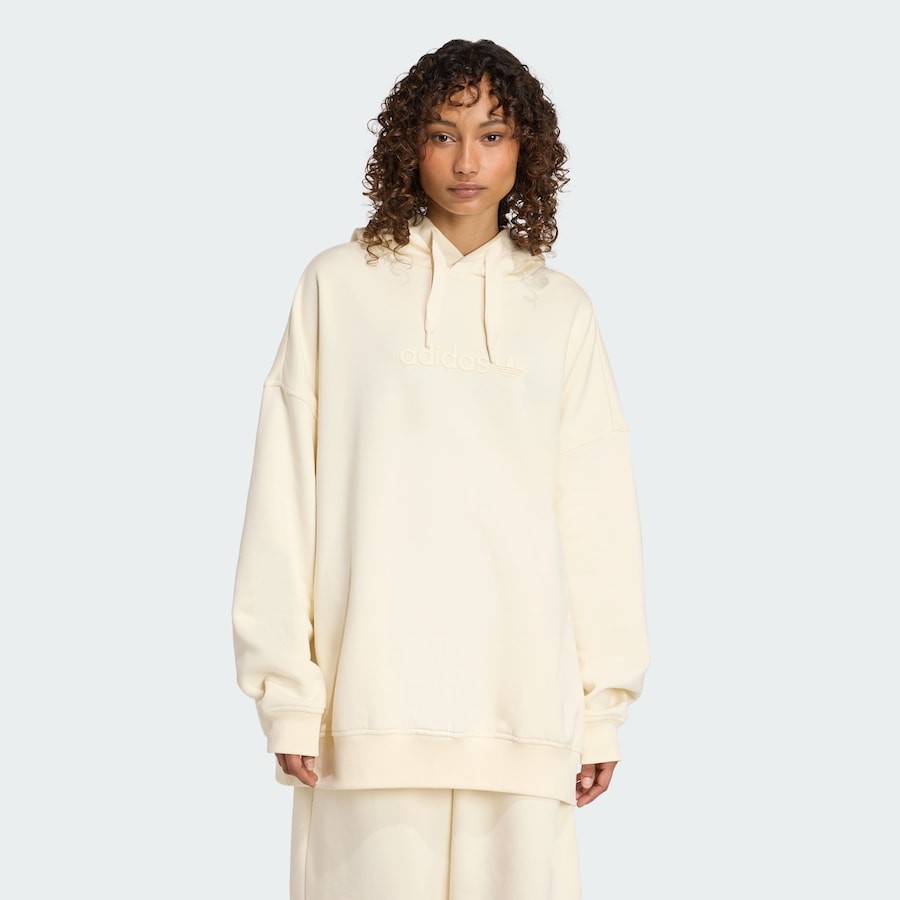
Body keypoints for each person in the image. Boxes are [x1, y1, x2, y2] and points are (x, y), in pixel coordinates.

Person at [232, 37, 650, 900]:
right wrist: (288, 694)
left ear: (525, 148)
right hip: (364, 721)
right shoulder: (338, 286)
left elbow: (597, 515)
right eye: (442, 134)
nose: (466, 162)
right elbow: (285, 496)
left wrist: (601, 708)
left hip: (523, 715)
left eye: (491, 135)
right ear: (407, 145)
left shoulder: (560, 310)